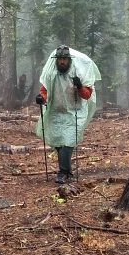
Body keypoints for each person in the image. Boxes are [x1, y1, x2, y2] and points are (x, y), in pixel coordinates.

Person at [35, 45, 101, 183]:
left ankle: (62, 172)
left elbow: (87, 95)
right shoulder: (51, 73)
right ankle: (67, 171)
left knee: (68, 141)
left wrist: (79, 86)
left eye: (65, 59)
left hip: (75, 112)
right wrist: (42, 98)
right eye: (60, 59)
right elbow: (44, 90)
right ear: (56, 60)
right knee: (59, 142)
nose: (62, 62)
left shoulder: (79, 72)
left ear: (69, 59)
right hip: (56, 111)